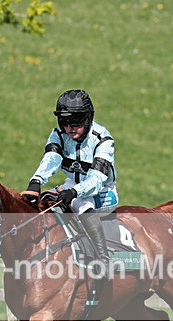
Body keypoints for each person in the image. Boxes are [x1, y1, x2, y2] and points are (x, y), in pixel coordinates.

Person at [21, 89, 118, 267]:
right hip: (72, 185)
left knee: (80, 204)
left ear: (88, 118)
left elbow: (96, 180)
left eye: (76, 122)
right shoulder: (58, 134)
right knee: (43, 201)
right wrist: (35, 182)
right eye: (65, 122)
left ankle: (104, 260)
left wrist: (74, 192)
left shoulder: (103, 139)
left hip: (103, 191)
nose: (70, 128)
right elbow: (51, 158)